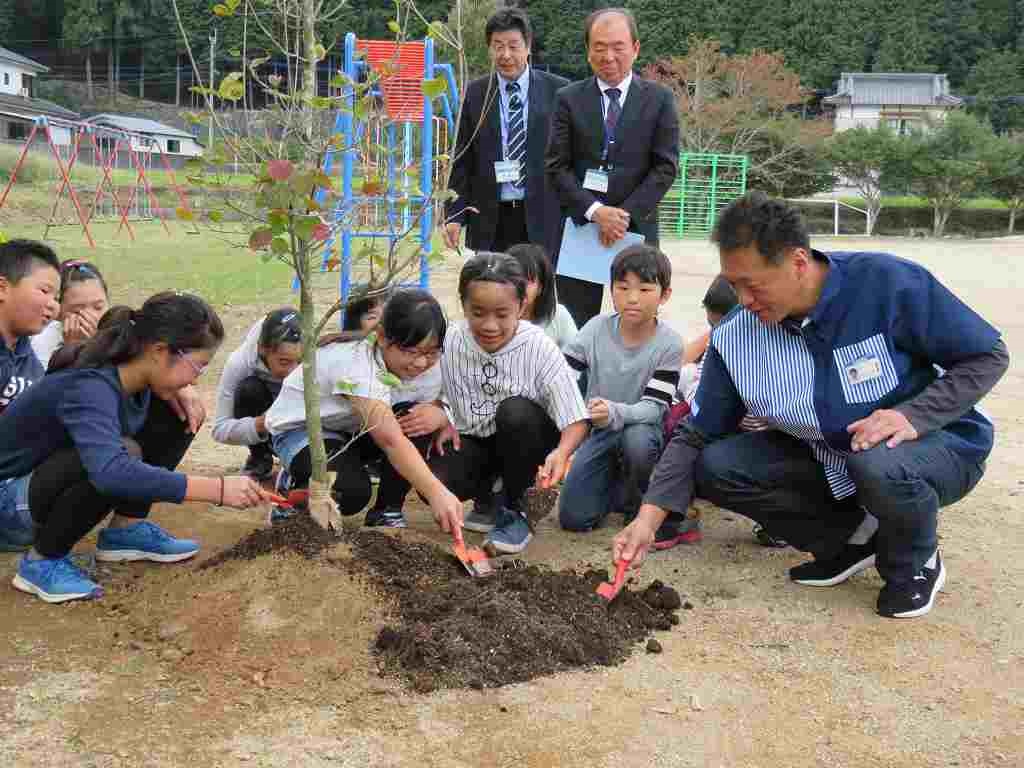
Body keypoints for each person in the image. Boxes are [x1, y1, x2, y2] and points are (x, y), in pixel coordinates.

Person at [615, 192, 1009, 619]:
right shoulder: (737, 335)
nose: (743, 299)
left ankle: (915, 560)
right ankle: (852, 541)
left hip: (935, 446)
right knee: (717, 464)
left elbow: (987, 355)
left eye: (754, 284)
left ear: (798, 262)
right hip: (831, 454)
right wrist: (647, 519)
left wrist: (912, 416)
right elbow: (697, 432)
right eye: (734, 284)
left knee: (876, 462)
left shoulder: (887, 284)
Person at [0, 292, 269, 603]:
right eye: (197, 367)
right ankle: (41, 562)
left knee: (180, 414)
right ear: (159, 351)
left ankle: (125, 531)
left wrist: (179, 388)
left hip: (34, 487)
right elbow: (112, 472)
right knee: (121, 457)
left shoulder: (134, 377)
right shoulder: (89, 386)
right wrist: (217, 490)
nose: (198, 377)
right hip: (7, 505)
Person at [429, 252, 589, 553]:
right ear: (463, 304)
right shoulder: (449, 341)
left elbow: (576, 419)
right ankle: (488, 496)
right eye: (477, 313)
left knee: (514, 412)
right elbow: (429, 390)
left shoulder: (538, 345)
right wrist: (440, 412)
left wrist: (562, 452)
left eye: (502, 314)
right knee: (436, 479)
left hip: (526, 440)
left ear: (521, 306)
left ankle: (518, 511)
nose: (490, 325)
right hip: (476, 440)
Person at [265, 289, 462, 533]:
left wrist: (441, 412)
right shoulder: (356, 364)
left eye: (430, 353)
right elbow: (391, 441)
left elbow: (454, 396)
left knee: (417, 418)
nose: (421, 363)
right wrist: (437, 492)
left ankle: (386, 511)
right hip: (301, 433)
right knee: (351, 492)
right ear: (381, 337)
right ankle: (292, 493)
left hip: (349, 430)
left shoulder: (433, 359)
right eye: (410, 352)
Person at [545, 7, 679, 328]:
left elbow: (665, 167)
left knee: (637, 322)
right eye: (599, 47)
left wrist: (622, 216)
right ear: (588, 51)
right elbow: (556, 165)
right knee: (575, 325)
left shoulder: (660, 99)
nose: (609, 56)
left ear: (635, 48)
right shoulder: (568, 98)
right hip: (583, 229)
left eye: (618, 47)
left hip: (636, 231)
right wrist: (596, 212)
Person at [558, 244, 685, 545]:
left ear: (664, 295)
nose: (632, 298)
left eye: (644, 289)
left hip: (642, 431)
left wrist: (614, 411)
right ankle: (615, 485)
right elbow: (563, 377)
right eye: (622, 287)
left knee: (637, 442)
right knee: (574, 519)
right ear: (611, 289)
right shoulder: (595, 329)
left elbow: (654, 409)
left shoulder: (669, 344)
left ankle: (640, 500)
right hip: (601, 432)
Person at [444, 8, 569, 258]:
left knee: (538, 292)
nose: (506, 55)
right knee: (492, 292)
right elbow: (461, 159)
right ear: (489, 49)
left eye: (514, 46)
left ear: (528, 46)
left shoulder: (559, 92)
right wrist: (455, 215)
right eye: (498, 46)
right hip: (491, 217)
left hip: (544, 217)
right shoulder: (474, 94)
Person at [211, 308, 302, 480]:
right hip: (266, 418)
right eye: (284, 362)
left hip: (300, 420)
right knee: (249, 390)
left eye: (301, 361)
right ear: (262, 349)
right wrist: (263, 423)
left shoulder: (318, 356)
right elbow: (220, 430)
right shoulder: (240, 363)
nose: (293, 372)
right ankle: (260, 457)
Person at [0, 239, 60, 416]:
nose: (53, 305)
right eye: (44, 291)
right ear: (2, 288)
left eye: (57, 298)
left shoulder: (28, 359)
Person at [31, 259, 110, 369]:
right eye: (77, 311)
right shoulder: (43, 340)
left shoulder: (121, 336)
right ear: (58, 312)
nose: (92, 316)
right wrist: (71, 349)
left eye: (98, 307)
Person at [506, 243, 577, 349]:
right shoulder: (489, 313)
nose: (520, 286)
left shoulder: (557, 315)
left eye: (528, 281)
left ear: (540, 287)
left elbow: (578, 359)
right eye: (514, 279)